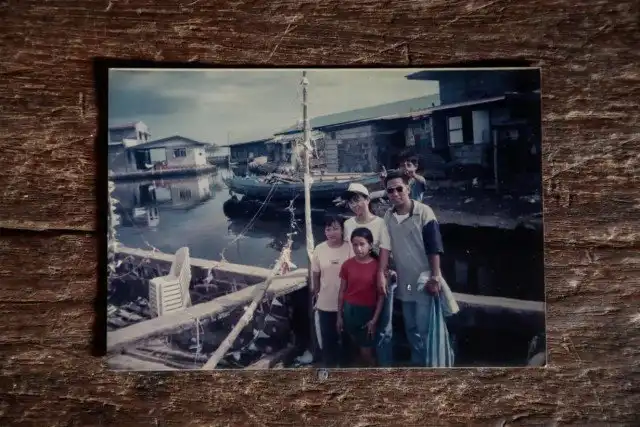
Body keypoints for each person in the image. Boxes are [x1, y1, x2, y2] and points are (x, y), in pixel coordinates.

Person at [382, 170, 452, 367]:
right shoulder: (388, 216)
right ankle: (418, 364)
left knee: (425, 328)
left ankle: (434, 366)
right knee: (411, 327)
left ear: (408, 188)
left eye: (399, 189)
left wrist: (435, 277)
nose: (395, 194)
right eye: (390, 191)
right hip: (405, 282)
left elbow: (434, 246)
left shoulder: (424, 212)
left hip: (424, 281)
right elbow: (386, 247)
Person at [342, 182, 394, 366]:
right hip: (356, 279)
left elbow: (385, 249)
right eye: (351, 202)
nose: (354, 205)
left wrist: (381, 274)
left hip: (377, 278)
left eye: (358, 200)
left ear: (367, 199)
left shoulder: (380, 223)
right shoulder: (348, 224)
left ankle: (383, 366)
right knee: (356, 322)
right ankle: (364, 361)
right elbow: (349, 252)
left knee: (382, 324)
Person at [337, 227, 384, 367]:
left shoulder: (378, 267)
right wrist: (339, 316)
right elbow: (342, 291)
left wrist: (374, 320)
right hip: (349, 311)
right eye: (355, 245)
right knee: (354, 345)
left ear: (370, 245)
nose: (358, 248)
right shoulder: (347, 265)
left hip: (367, 312)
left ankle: (373, 372)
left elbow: (381, 296)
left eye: (362, 244)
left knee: (366, 350)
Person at [310, 214, 353, 368]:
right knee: (328, 338)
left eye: (335, 228)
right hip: (325, 302)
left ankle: (346, 368)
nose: (331, 233)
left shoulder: (350, 247)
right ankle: (330, 367)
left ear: (342, 230)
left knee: (347, 339)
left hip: (347, 302)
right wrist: (316, 293)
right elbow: (315, 274)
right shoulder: (319, 249)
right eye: (328, 229)